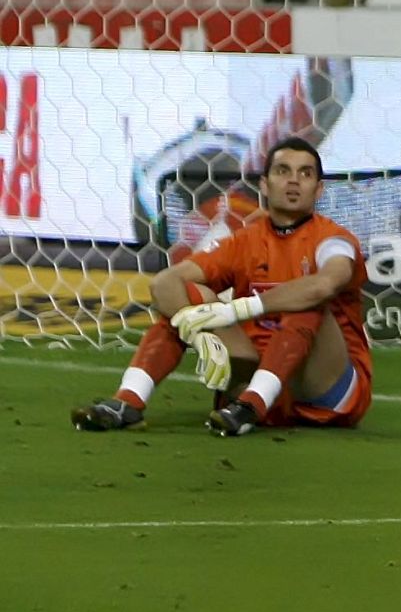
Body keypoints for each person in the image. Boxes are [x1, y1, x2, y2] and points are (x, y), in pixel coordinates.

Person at [70, 139, 372, 437]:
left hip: (324, 388)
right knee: (188, 304)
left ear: (319, 189)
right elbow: (165, 283)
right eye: (283, 171)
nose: (293, 181)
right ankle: (128, 403)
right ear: (264, 185)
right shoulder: (244, 240)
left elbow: (325, 284)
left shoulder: (334, 240)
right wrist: (198, 334)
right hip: (256, 370)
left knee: (306, 300)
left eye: (305, 174)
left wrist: (238, 309)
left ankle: (251, 407)